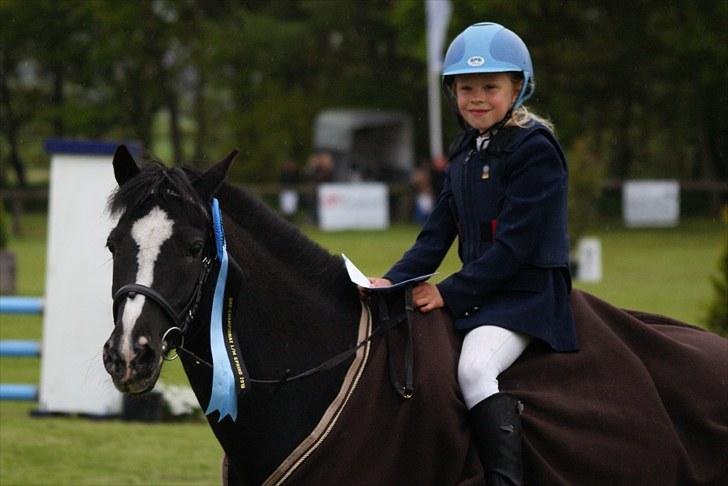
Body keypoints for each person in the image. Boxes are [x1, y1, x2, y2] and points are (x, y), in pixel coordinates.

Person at [368, 22, 578, 485]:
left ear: (517, 87)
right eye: (466, 88)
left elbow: (514, 249)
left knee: (475, 368)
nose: (477, 98)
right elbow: (435, 234)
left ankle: (505, 480)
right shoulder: (464, 149)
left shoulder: (536, 149)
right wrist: (390, 281)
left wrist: (448, 292)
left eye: (490, 87)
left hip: (527, 296)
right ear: (453, 93)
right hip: (486, 294)